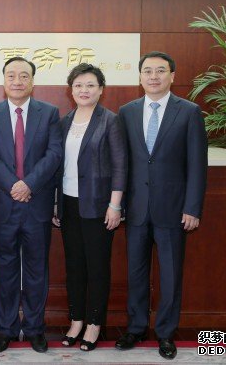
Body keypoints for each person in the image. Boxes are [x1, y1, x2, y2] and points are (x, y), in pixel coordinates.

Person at [116, 51, 207, 360]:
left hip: (174, 208)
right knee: (136, 272)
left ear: (172, 76)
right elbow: (122, 163)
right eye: (147, 71)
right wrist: (118, 204)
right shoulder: (127, 112)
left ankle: (166, 332)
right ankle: (136, 327)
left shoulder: (189, 112)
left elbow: (197, 165)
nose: (153, 76)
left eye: (160, 71)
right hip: (136, 208)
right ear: (140, 76)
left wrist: (192, 207)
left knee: (170, 274)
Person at [0, 57, 62, 353]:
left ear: (32, 81)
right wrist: (13, 185)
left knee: (37, 270)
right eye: (11, 75)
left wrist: (28, 184)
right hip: (4, 205)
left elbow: (54, 153)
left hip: (37, 204)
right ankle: (6, 328)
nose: (17, 81)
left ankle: (35, 328)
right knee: (4, 270)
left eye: (24, 76)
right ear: (4, 80)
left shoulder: (49, 113)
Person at [52, 63, 127, 351]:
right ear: (71, 90)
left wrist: (115, 205)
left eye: (90, 85)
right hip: (68, 204)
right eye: (79, 85)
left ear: (101, 89)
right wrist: (56, 203)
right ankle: (76, 321)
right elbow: (59, 167)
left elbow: (120, 166)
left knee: (97, 267)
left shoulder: (110, 121)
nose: (84, 90)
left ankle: (94, 323)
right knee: (74, 267)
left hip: (99, 206)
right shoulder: (64, 122)